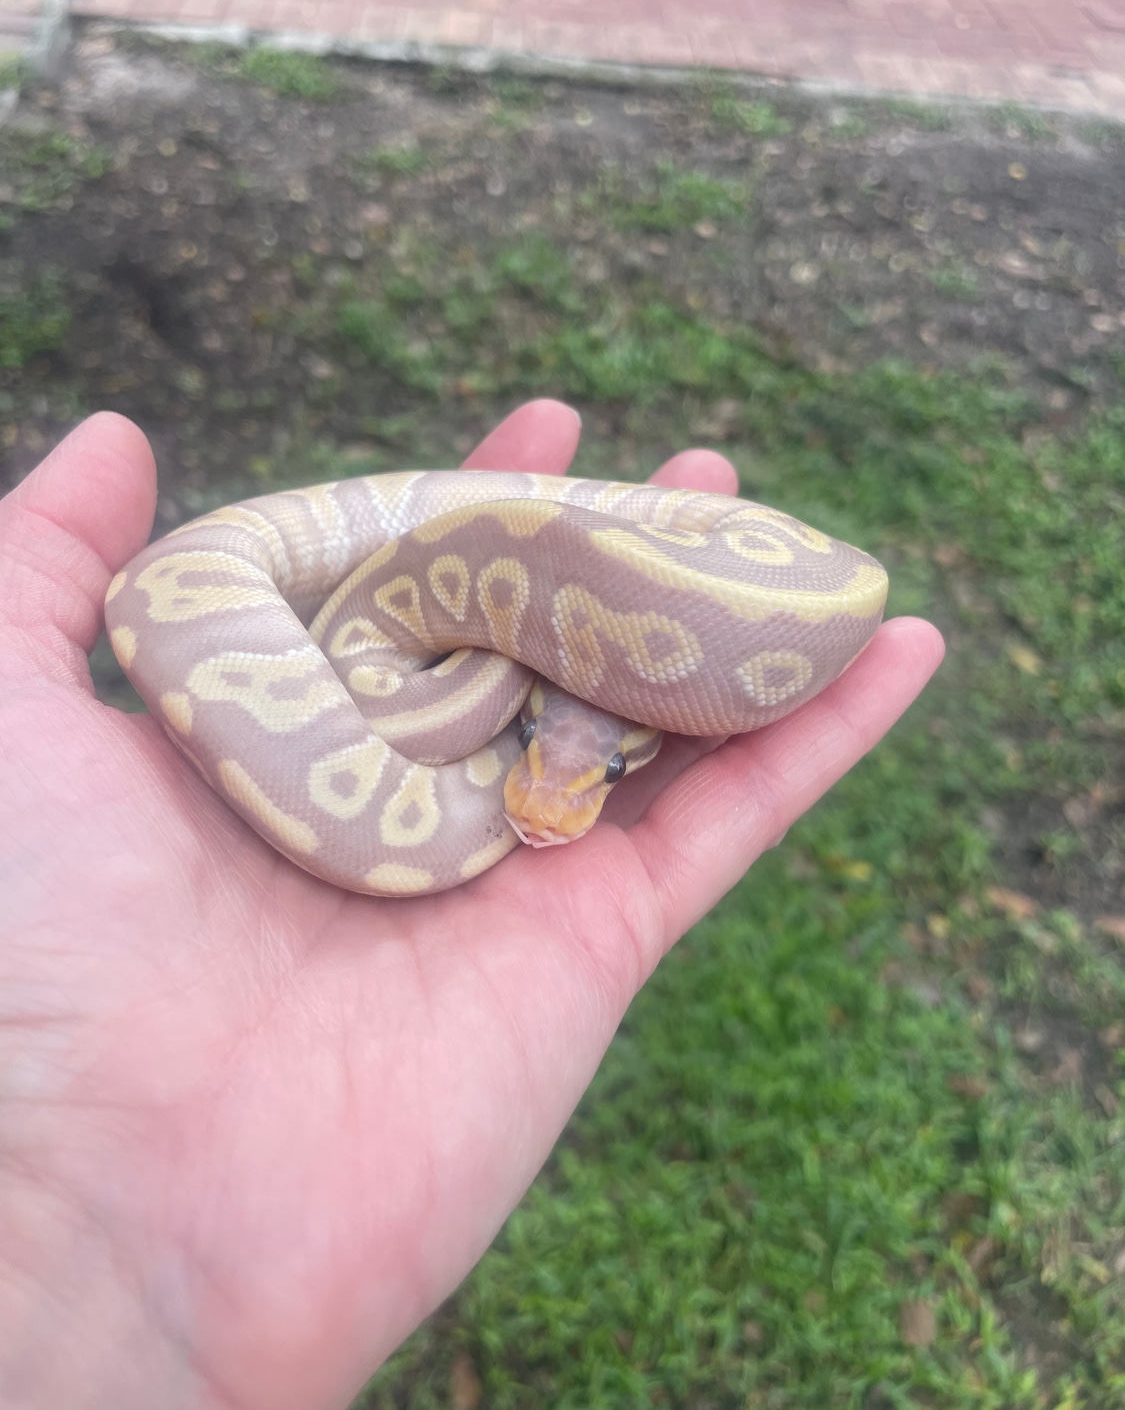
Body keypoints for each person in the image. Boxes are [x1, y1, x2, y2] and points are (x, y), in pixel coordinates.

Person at [0, 400, 942, 1409]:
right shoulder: (487, 689)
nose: (551, 797)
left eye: (604, 766)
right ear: (539, 686)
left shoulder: (494, 689)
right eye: (540, 744)